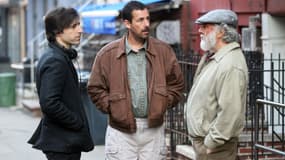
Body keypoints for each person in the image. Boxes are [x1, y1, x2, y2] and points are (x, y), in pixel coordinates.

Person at [87, 1, 184, 160]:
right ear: (127, 23)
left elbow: (177, 84)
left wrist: (163, 103)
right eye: (140, 20)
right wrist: (113, 108)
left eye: (147, 18)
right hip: (121, 130)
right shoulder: (107, 54)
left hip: (154, 128)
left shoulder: (163, 51)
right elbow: (95, 87)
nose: (146, 24)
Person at [28, 7, 94, 160]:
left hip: (64, 141)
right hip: (63, 143)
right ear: (58, 32)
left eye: (79, 25)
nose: (80, 30)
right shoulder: (55, 61)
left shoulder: (59, 56)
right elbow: (49, 103)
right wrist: (76, 122)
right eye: (74, 26)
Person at [185, 9, 248, 160]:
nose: (200, 30)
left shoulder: (230, 63)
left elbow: (230, 112)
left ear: (221, 32)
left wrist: (210, 143)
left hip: (216, 149)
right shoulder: (214, 57)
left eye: (205, 26)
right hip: (208, 147)